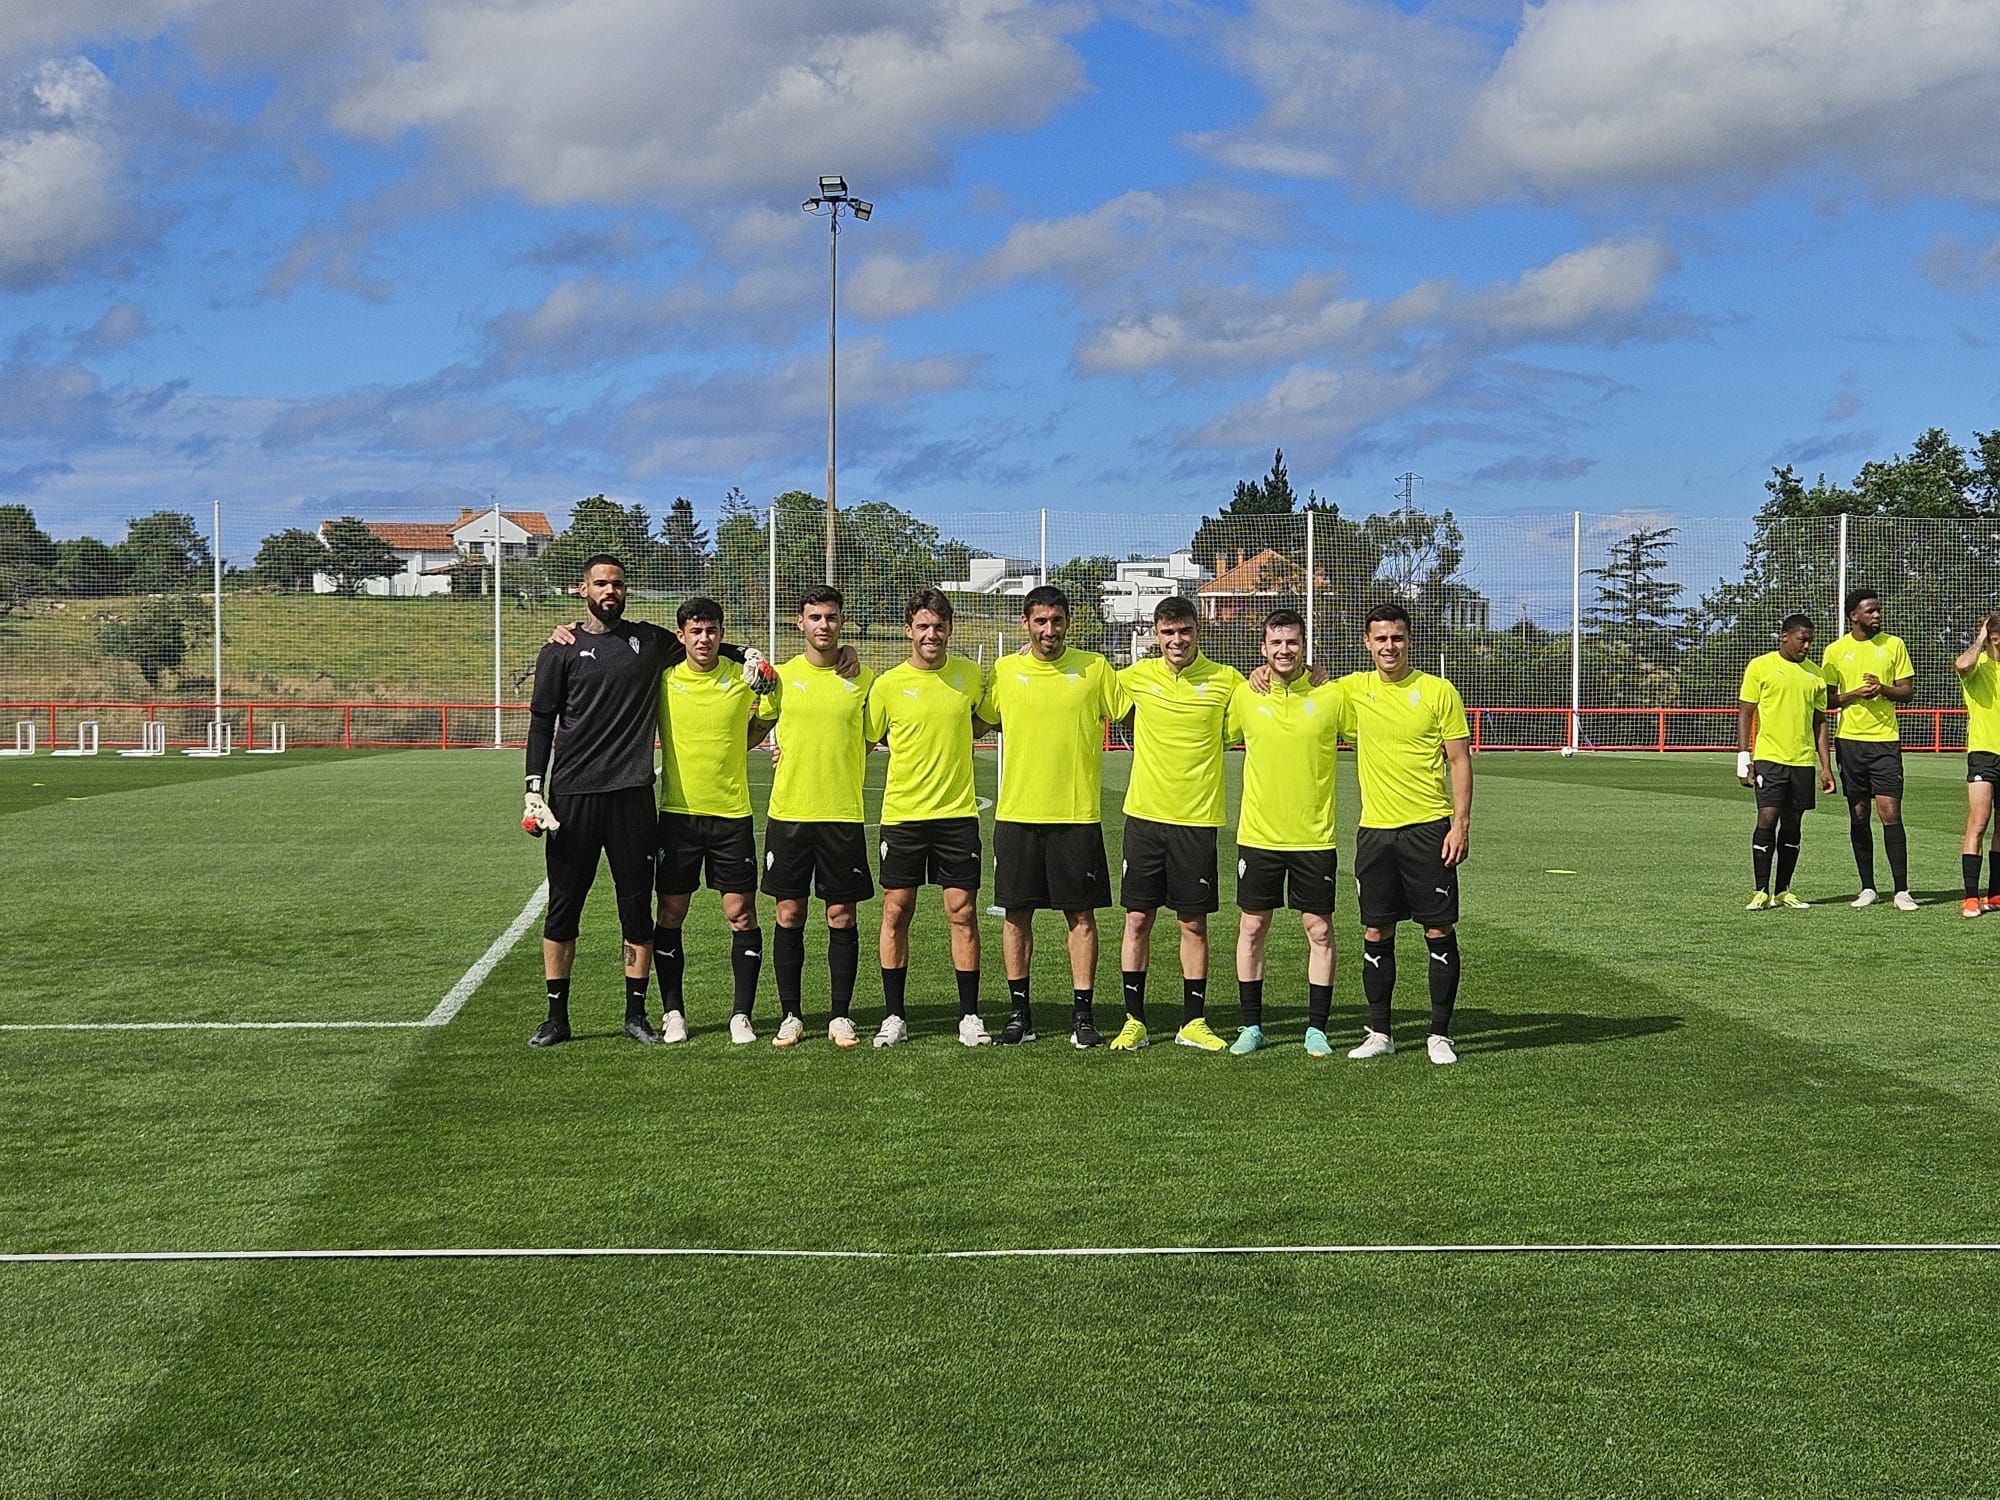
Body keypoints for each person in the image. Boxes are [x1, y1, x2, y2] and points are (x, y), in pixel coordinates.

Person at [523, 555, 702, 1048]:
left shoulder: (648, 642)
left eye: (618, 584)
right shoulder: (559, 649)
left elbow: (705, 643)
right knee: (563, 908)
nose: (611, 590)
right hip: (574, 798)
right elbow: (542, 723)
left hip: (631, 798)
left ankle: (635, 1015)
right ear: (582, 589)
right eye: (601, 583)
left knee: (635, 911)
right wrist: (534, 788)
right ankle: (557, 1017)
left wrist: (750, 654)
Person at [977, 585, 1127, 1047]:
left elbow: (1140, 708)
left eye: (1056, 621)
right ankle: (1020, 1014)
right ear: (1025, 624)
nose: (1049, 630)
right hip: (1018, 815)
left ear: (1067, 623)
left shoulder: (1095, 669)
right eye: (1040, 622)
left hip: (1077, 815)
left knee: (1080, 916)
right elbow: (969, 723)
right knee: (1016, 915)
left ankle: (1084, 1015)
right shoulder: (1005, 671)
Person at [1340, 603, 1473, 1066]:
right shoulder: (1353, 690)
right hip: (1375, 832)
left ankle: (1440, 1034)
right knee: (1376, 929)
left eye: (1396, 637)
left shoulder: (1438, 692)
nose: (1389, 646)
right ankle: (1380, 1031)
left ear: (1409, 640)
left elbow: (1459, 760)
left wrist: (1460, 824)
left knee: (1438, 927)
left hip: (1428, 829)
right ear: (1366, 643)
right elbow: (1301, 682)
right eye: (1380, 639)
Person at [1110, 596, 1244, 1053]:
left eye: (1184, 631)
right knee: (1137, 919)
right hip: (1144, 819)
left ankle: (1193, 1021)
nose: (1176, 640)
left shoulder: (1227, 681)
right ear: (1155, 634)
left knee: (1194, 924)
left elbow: (1266, 698)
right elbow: (1086, 682)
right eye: (1168, 632)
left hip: (1197, 821)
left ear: (1197, 631)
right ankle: (1134, 1021)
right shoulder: (1135, 678)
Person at [863, 588, 994, 1047]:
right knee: (897, 911)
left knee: (962, 912)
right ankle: (895, 1015)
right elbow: (861, 739)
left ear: (949, 629)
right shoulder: (887, 685)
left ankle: (969, 1015)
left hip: (957, 814)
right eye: (923, 626)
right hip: (903, 816)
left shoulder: (969, 676)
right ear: (909, 631)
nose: (931, 634)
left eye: (939, 626)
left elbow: (983, 721)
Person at [755, 586, 876, 1047]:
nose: (823, 625)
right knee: (789, 913)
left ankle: (840, 1015)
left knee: (842, 915)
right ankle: (791, 1014)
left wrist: (839, 757)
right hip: (789, 814)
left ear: (841, 622)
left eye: (831, 617)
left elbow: (872, 735)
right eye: (814, 617)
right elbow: (757, 727)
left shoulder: (862, 678)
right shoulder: (781, 679)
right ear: (799, 623)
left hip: (842, 814)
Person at [1224, 609, 1343, 1057]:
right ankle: (1251, 1026)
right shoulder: (1245, 695)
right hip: (1258, 835)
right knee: (1252, 928)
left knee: (1319, 930)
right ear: (1263, 649)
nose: (1284, 650)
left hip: (1314, 837)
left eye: (1292, 642)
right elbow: (1211, 735)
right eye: (1276, 643)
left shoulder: (1332, 696)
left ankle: (1317, 1028)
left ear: (1304, 646)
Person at [654, 597, 771, 1045]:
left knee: (740, 914)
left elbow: (769, 715)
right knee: (670, 912)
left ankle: (741, 1014)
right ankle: (673, 1012)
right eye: (695, 632)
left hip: (731, 816)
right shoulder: (664, 680)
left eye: (712, 631)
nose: (704, 639)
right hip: (678, 818)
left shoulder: (742, 679)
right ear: (681, 635)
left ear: (722, 634)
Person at [1821, 588, 1917, 909]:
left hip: (1885, 741)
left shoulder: (1894, 645)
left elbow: (1907, 692)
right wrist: (1855, 694)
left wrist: (1883, 689)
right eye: (1871, 611)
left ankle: (1901, 890)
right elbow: (1828, 699)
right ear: (1854, 616)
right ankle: (1868, 888)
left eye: (1878, 610)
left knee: (1890, 812)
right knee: (1858, 814)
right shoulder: (1835, 651)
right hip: (1850, 742)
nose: (1877, 615)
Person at [1737, 613, 1836, 912]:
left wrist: (1826, 766)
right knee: (1767, 819)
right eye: (1802, 639)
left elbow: (1820, 723)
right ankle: (1760, 891)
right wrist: (1745, 758)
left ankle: (1783, 891)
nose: (1807, 646)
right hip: (1769, 759)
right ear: (1784, 637)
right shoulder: (1761, 666)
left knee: (1793, 826)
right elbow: (1745, 712)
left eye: (1810, 641)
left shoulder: (1816, 675)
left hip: (1802, 762)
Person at [1953, 610, 2000, 918]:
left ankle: (1995, 894)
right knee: (1979, 823)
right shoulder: (1977, 665)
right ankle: (1971, 896)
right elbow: (1962, 664)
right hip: (1983, 753)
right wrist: (1982, 638)